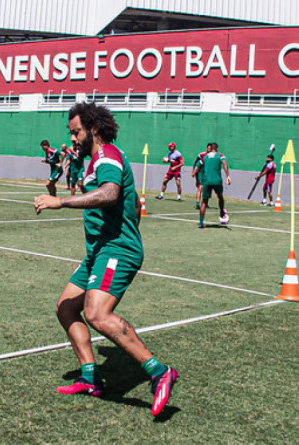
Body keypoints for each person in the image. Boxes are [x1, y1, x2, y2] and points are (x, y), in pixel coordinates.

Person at [33, 102, 179, 417]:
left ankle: (159, 372)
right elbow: (131, 204)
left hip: (116, 250)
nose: (72, 139)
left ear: (94, 130)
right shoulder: (94, 159)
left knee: (96, 314)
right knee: (66, 307)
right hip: (101, 250)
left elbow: (111, 193)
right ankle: (90, 378)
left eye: (76, 132)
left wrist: (60, 202)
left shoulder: (106, 155)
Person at [195, 142, 231, 228]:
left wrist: (197, 179)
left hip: (206, 181)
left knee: (204, 202)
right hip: (216, 180)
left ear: (210, 148)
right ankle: (222, 211)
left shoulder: (205, 157)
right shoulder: (220, 155)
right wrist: (228, 176)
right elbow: (225, 164)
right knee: (220, 196)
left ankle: (201, 223)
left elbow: (197, 169)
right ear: (217, 148)